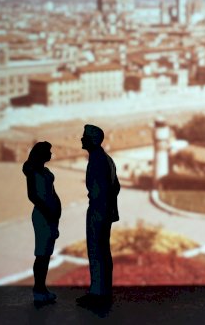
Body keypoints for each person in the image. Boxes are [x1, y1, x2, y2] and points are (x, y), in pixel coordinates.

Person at [76, 124, 120, 309]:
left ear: (92, 140)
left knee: (96, 251)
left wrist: (98, 203)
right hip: (105, 211)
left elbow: (99, 189)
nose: (81, 139)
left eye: (84, 136)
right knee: (103, 251)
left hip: (97, 210)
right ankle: (103, 291)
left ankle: (97, 294)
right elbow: (116, 186)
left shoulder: (97, 159)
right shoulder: (105, 158)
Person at [22, 141, 62, 304]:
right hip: (42, 215)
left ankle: (42, 288)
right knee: (41, 254)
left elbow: (52, 192)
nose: (51, 154)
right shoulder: (33, 172)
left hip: (51, 214)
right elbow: (32, 195)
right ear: (41, 154)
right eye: (49, 151)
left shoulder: (45, 171)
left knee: (46, 254)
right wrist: (47, 210)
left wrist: (56, 211)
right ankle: (38, 290)